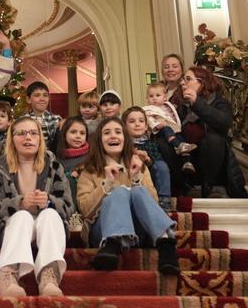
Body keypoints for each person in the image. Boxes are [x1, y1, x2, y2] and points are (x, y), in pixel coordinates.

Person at [76, 117, 179, 275]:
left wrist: (136, 179)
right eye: (107, 133)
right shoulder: (89, 170)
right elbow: (85, 210)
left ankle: (166, 244)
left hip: (138, 232)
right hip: (102, 233)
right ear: (99, 140)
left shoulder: (138, 165)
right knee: (119, 191)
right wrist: (107, 183)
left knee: (137, 190)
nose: (113, 136)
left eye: (118, 132)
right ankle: (112, 243)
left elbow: (154, 204)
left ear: (125, 138)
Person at [0, 116, 73, 297]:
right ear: (12, 139)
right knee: (22, 216)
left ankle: (48, 277)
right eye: (22, 133)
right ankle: (7, 277)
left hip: (48, 226)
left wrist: (48, 201)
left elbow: (67, 206)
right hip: (12, 227)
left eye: (33, 133)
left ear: (40, 139)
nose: (28, 138)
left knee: (49, 214)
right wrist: (19, 203)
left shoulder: (53, 165)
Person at [177, 66, 248, 198]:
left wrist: (196, 103)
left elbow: (223, 123)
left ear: (202, 83)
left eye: (187, 79)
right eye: (182, 79)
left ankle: (209, 186)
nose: (182, 83)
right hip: (186, 162)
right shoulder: (181, 106)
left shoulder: (220, 103)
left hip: (212, 164)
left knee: (213, 139)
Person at [123, 107, 172, 210]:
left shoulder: (150, 143)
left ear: (146, 127)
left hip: (150, 175)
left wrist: (147, 159)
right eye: (132, 121)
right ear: (125, 127)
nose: (137, 124)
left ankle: (164, 199)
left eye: (141, 121)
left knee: (161, 166)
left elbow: (156, 160)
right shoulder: (123, 144)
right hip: (130, 176)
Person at [144, 82, 195, 174]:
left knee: (182, 139)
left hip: (174, 130)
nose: (154, 98)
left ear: (164, 97)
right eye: (151, 96)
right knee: (167, 129)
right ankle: (177, 144)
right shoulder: (148, 109)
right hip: (160, 130)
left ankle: (187, 162)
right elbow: (148, 119)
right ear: (147, 99)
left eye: (158, 95)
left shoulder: (168, 106)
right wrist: (155, 125)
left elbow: (175, 116)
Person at [54, 116, 90, 199]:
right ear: (64, 134)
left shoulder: (91, 157)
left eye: (82, 133)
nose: (78, 136)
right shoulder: (57, 159)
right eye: (73, 132)